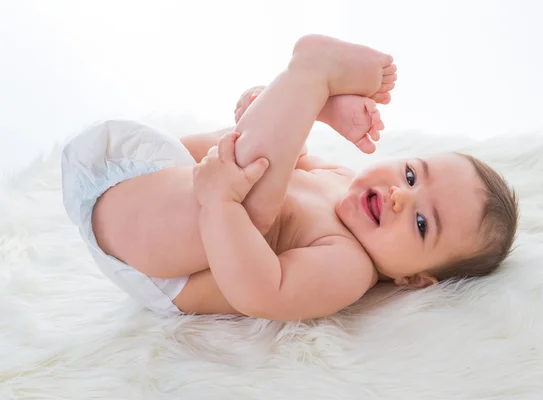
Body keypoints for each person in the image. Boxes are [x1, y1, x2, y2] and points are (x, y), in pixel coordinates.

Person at [61, 34, 518, 321]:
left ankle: (312, 74)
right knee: (255, 166)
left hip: (156, 252)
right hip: (149, 169)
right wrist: (280, 117)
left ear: (416, 279)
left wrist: (222, 206)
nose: (401, 197)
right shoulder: (341, 177)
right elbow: (289, 156)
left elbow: (263, 292)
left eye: (422, 223)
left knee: (254, 207)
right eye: (413, 175)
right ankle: (305, 88)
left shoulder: (349, 267)